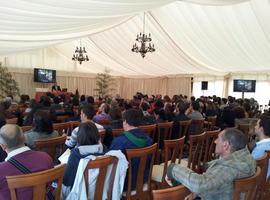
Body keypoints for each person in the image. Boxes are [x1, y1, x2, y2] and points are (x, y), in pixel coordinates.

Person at [166, 128, 256, 200]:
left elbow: (199, 185)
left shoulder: (226, 168)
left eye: (218, 139)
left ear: (226, 145)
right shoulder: (248, 158)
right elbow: (218, 182)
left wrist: (172, 169)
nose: (215, 141)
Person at [0, 124, 53, 200]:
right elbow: (50, 184)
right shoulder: (45, 157)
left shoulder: (1, 169)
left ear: (2, 146)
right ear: (24, 138)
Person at [109, 108, 153, 189]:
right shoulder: (149, 140)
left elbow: (110, 165)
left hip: (126, 184)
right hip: (145, 179)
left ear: (125, 122)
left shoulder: (119, 142)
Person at [62, 122, 105, 197]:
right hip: (102, 192)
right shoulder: (105, 150)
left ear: (79, 137)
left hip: (79, 194)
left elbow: (67, 183)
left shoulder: (76, 155)